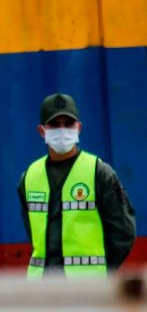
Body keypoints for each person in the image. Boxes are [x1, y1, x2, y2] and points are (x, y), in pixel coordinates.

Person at [19, 93, 135, 278]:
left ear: (79, 128)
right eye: (55, 125)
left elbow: (123, 232)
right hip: (41, 287)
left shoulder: (100, 173)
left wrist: (102, 273)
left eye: (68, 123)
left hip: (87, 287)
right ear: (42, 131)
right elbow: (33, 233)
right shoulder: (29, 177)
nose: (62, 130)